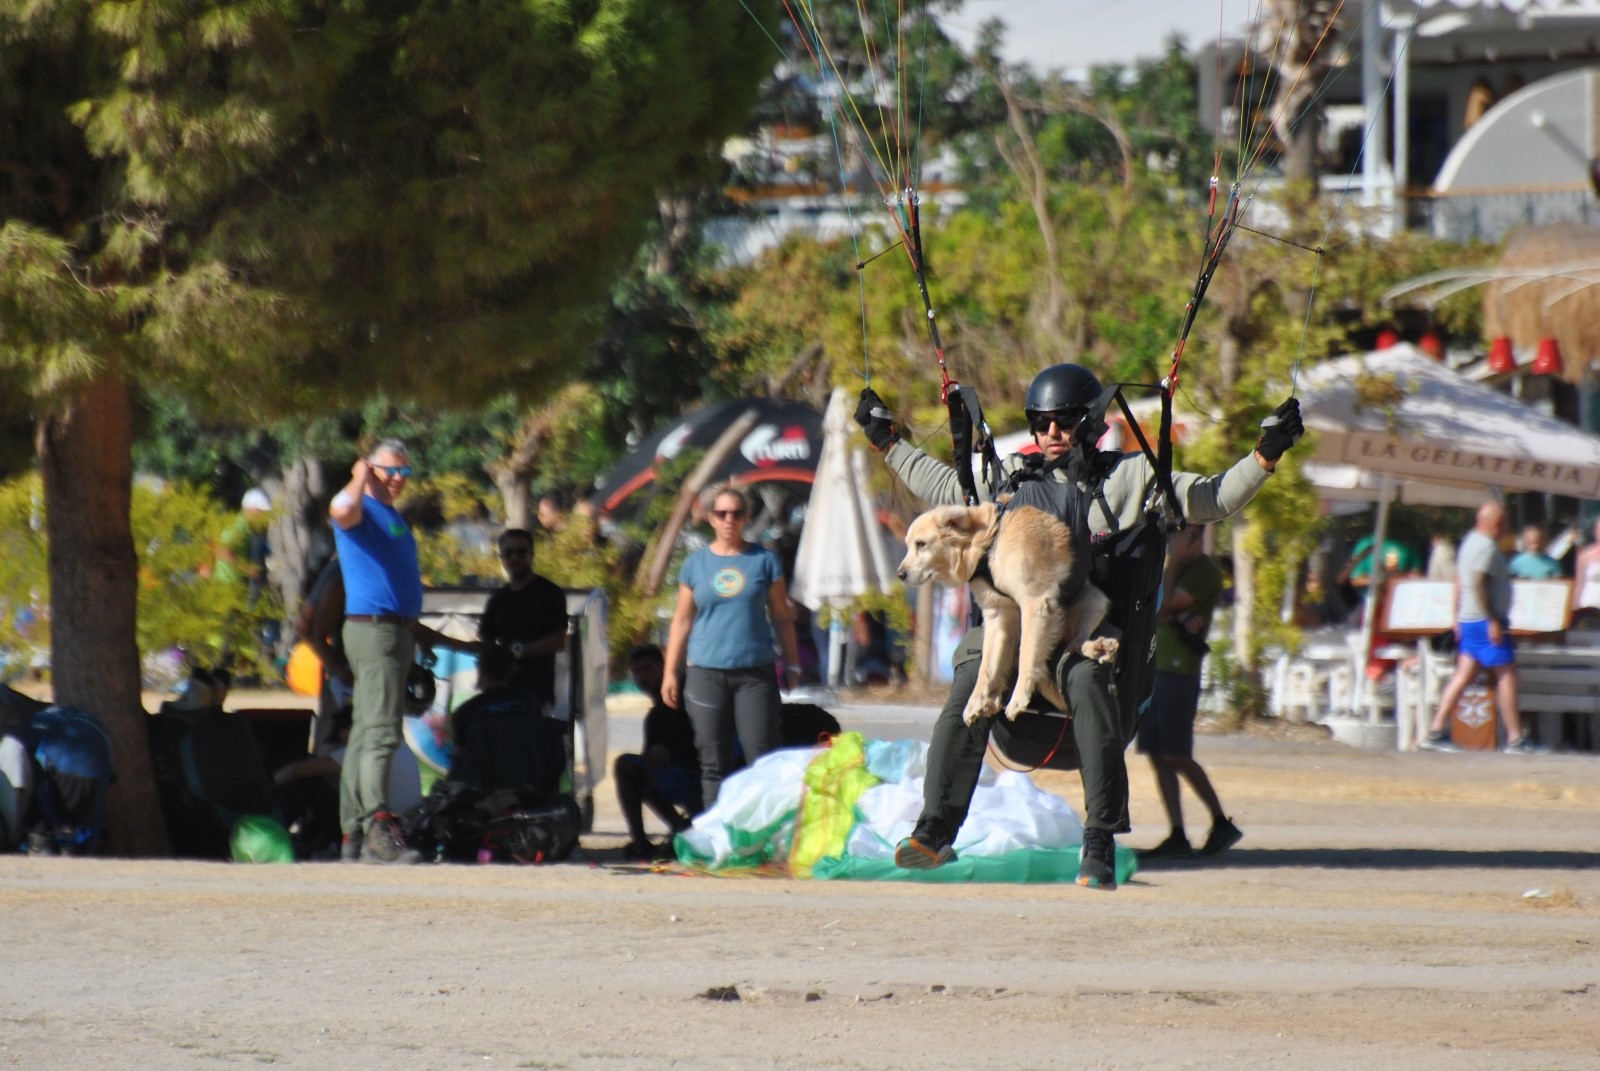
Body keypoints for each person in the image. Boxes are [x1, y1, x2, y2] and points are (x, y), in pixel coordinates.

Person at [856, 364, 1303, 889]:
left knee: (1089, 678)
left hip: (1083, 630)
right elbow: (941, 483)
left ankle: (1099, 839)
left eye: (1064, 422)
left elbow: (1212, 498)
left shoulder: (1128, 478)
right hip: (1013, 630)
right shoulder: (1009, 480)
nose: (1051, 435)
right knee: (971, 671)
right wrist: (887, 441)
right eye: (1041, 423)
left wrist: (1264, 456)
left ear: (1089, 423)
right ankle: (934, 830)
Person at [661, 483, 802, 808]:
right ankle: (715, 840)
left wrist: (793, 663)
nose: (729, 520)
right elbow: (682, 620)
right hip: (706, 673)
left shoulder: (764, 560)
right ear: (710, 518)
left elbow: (782, 617)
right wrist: (671, 671)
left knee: (762, 758)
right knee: (713, 763)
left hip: (754, 673)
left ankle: (762, 836)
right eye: (721, 513)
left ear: (746, 517)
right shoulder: (695, 564)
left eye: (736, 513)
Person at [328, 439, 428, 864]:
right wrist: (358, 475)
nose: (398, 478)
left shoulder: (390, 514)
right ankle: (377, 828)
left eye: (405, 471)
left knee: (366, 734)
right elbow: (340, 511)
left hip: (394, 633)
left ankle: (351, 834)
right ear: (370, 468)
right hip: (376, 633)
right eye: (390, 470)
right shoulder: (360, 507)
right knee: (383, 734)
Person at [1137, 525, 1240, 861]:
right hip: (1156, 667)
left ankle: (1220, 822)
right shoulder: (1175, 569)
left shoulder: (1204, 572)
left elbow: (1161, 604)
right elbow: (1152, 610)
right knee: (1156, 754)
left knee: (1176, 753)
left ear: (1194, 538)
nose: (1169, 539)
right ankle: (1177, 832)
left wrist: (1173, 563)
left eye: (1177, 534)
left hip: (1178, 669)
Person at [1419, 500, 1541, 754]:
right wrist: (1493, 619)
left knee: (1464, 675)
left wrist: (1456, 617)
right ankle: (1516, 738)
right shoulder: (1485, 546)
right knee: (1507, 675)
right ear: (1496, 525)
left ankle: (1435, 730)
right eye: (1504, 523)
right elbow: (1477, 583)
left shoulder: (1469, 542)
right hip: (1484, 621)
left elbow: (1459, 582)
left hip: (1468, 618)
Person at [612, 644, 701, 861]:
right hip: (674, 776)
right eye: (637, 672)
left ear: (664, 667)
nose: (643, 677)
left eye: (648, 669)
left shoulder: (690, 696)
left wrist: (674, 754)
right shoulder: (654, 717)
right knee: (631, 769)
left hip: (699, 773)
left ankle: (683, 831)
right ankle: (648, 840)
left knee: (627, 767)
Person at [476, 528, 570, 713]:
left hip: (536, 693)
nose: (514, 558)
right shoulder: (498, 599)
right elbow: (486, 641)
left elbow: (559, 641)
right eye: (508, 553)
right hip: (501, 694)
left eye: (521, 552)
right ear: (501, 557)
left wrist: (517, 652)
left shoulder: (550, 593)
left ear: (531, 555)